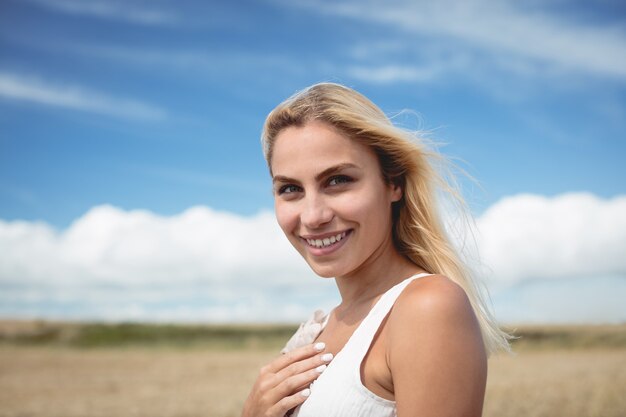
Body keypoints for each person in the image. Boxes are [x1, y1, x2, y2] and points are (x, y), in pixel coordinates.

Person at [241, 83, 509, 417]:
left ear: (393, 183)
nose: (312, 216)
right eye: (290, 188)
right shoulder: (321, 328)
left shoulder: (428, 306)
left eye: (337, 180)